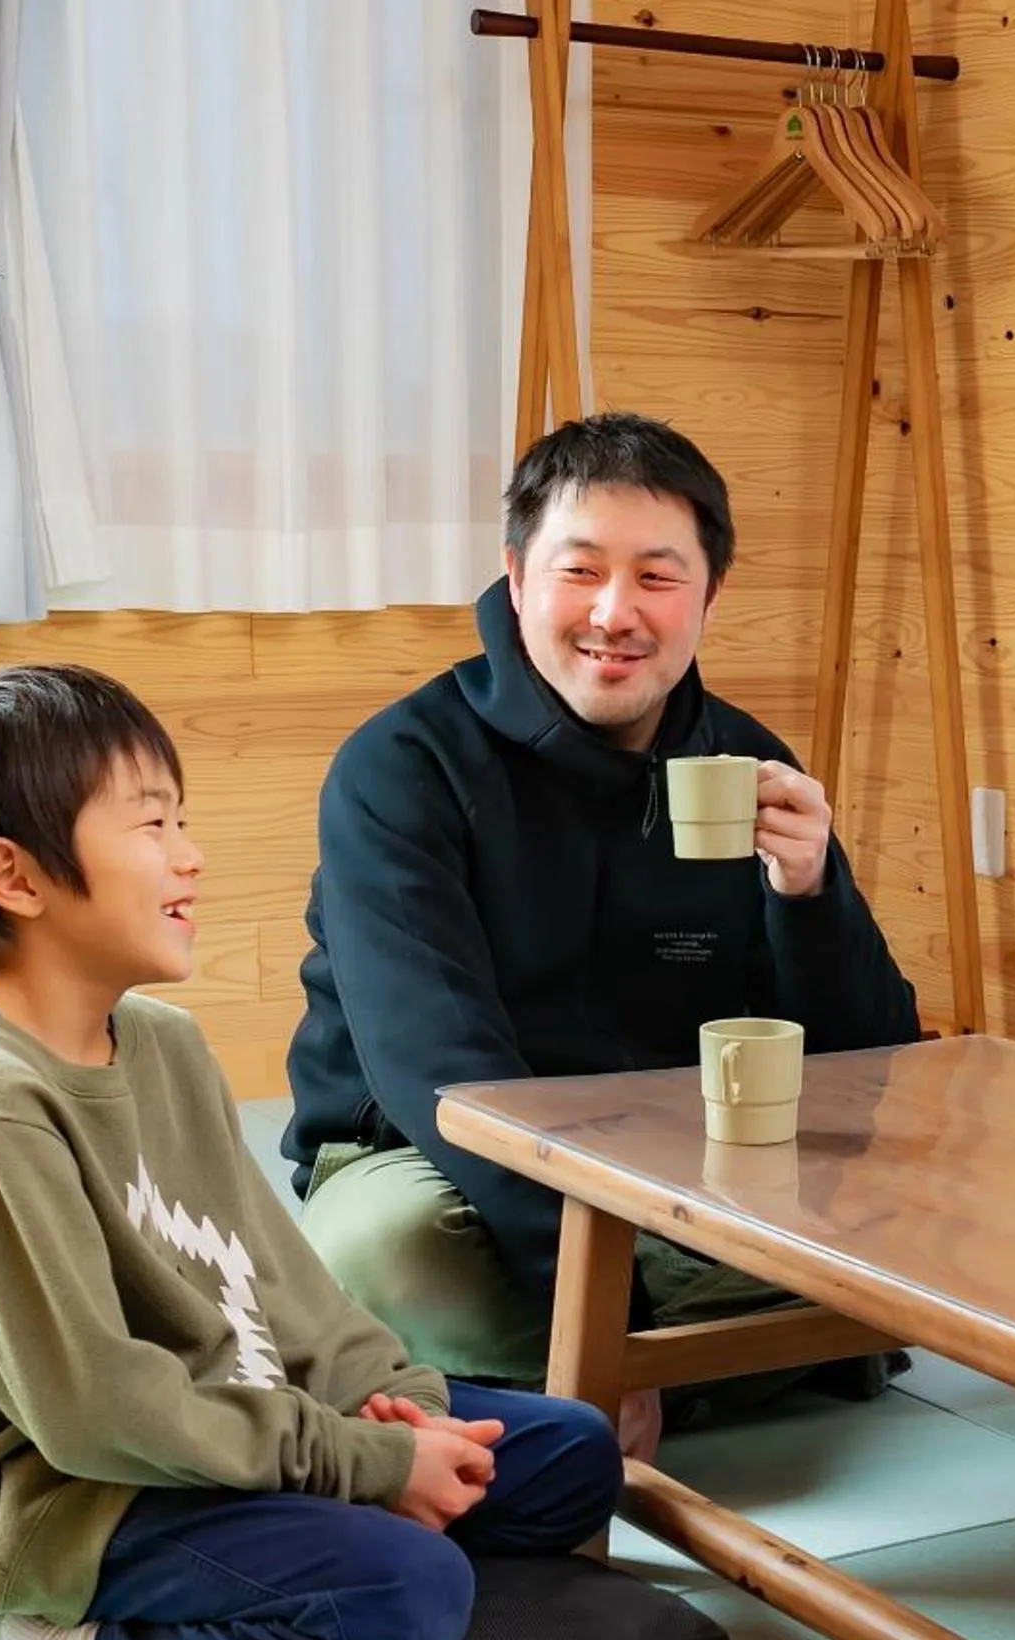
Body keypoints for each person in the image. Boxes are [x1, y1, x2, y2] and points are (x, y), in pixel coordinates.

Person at [0, 666, 623, 1640]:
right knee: (403, 1597)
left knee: (574, 1451)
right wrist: (367, 1464)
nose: (191, 857)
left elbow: (283, 1285)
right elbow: (97, 1411)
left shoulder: (162, 1043)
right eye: (152, 826)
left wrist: (403, 1410)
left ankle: (332, 1526)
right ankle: (66, 1638)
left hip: (225, 1419)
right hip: (71, 1497)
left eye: (182, 821)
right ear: (15, 877)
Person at [283, 413, 920, 1459]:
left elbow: (872, 1065)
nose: (615, 614)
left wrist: (810, 894)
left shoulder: (746, 765)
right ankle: (727, 1356)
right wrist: (606, 1325)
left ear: (710, 595)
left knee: (912, 1207)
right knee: (383, 1250)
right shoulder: (401, 768)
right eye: (580, 571)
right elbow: (439, 1076)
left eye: (658, 579)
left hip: (672, 1158)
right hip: (438, 1161)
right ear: (517, 577)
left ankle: (533, 1387)